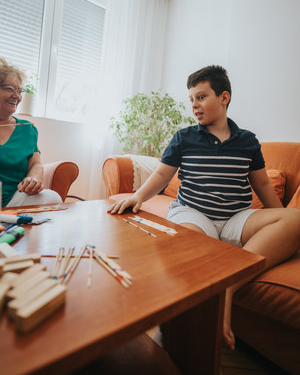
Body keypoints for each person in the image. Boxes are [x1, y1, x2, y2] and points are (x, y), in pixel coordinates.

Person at [108, 65, 300, 350]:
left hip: (237, 217)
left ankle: (227, 288)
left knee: (295, 219)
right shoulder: (184, 137)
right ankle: (188, 319)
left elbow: (261, 185)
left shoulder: (247, 141)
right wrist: (138, 196)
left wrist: (280, 218)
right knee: (190, 248)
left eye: (201, 97)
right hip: (193, 213)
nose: (194, 105)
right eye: (191, 99)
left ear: (224, 97)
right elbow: (162, 174)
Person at [0, 57, 62, 207]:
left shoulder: (27, 128)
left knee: (52, 198)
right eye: (10, 89)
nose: (17, 96)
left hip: (14, 198)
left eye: (19, 90)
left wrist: (33, 179)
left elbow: (36, 164)